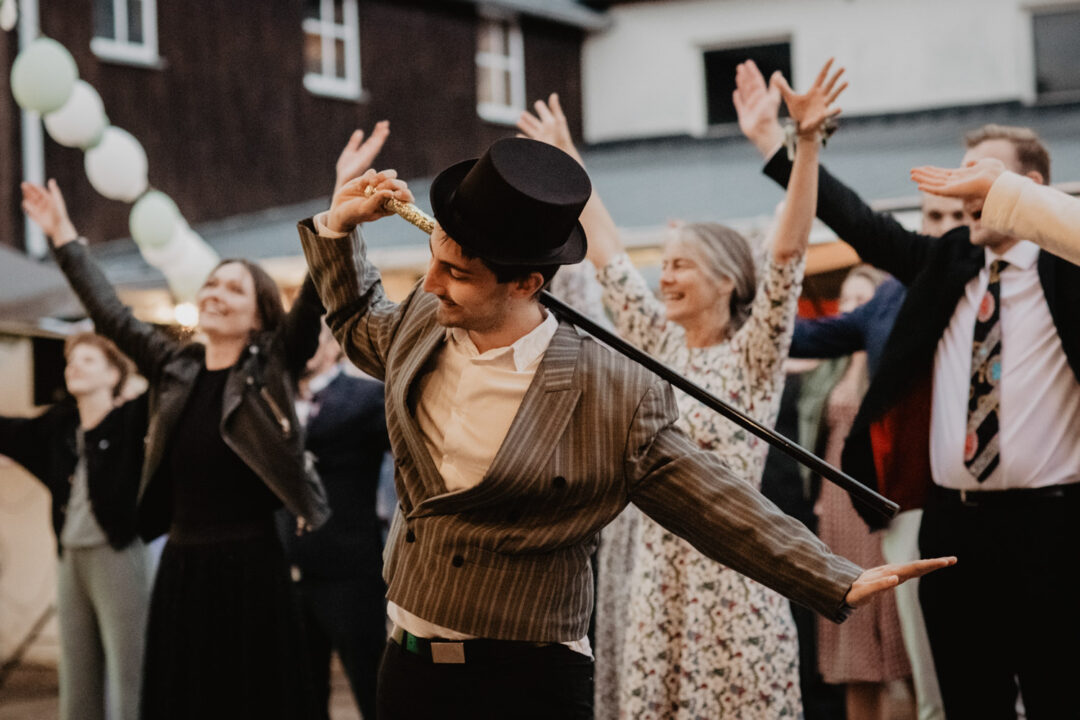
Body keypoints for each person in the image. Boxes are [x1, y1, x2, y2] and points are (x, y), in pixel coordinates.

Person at [297, 132, 953, 719]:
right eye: (434, 260)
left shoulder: (606, 386)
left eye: (457, 274)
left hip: (530, 679)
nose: (432, 283)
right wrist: (337, 228)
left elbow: (707, 496)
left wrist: (832, 575)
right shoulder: (423, 320)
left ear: (526, 283)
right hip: (406, 664)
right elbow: (358, 323)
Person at [515, 58, 845, 717]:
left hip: (738, 576)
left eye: (680, 266)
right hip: (657, 577)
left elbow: (788, 253)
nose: (663, 278)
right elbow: (606, 251)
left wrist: (803, 145)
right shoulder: (655, 340)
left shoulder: (754, 353)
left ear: (726, 280)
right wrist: (567, 159)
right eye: (662, 266)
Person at [739, 97, 1080, 717]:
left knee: (1060, 695)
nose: (959, 186)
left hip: (1057, 528)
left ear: (1030, 188)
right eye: (958, 171)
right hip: (954, 526)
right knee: (968, 700)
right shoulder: (948, 262)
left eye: (977, 174)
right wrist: (783, 143)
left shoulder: (1069, 270)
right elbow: (858, 222)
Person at [21, 180, 330, 720]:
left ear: (259, 316)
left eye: (234, 289)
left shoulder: (271, 368)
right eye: (211, 283)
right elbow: (111, 314)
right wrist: (64, 236)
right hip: (183, 570)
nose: (214, 292)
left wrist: (337, 217)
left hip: (251, 574)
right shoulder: (175, 369)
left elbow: (312, 298)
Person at [0, 333, 151, 720]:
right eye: (72, 360)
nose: (75, 366)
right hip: (70, 557)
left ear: (113, 373)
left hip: (118, 555)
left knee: (129, 668)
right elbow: (10, 431)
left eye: (88, 360)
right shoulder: (60, 426)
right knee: (77, 670)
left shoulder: (130, 422)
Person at [282, 320, 391, 720]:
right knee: (300, 691)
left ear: (333, 348)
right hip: (286, 570)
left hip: (349, 568)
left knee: (370, 683)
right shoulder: (270, 401)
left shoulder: (365, 397)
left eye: (314, 338)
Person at [913, 156, 1080, 265]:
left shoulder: (1062, 270)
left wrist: (1006, 192)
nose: (947, 228)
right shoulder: (953, 266)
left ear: (1032, 182)